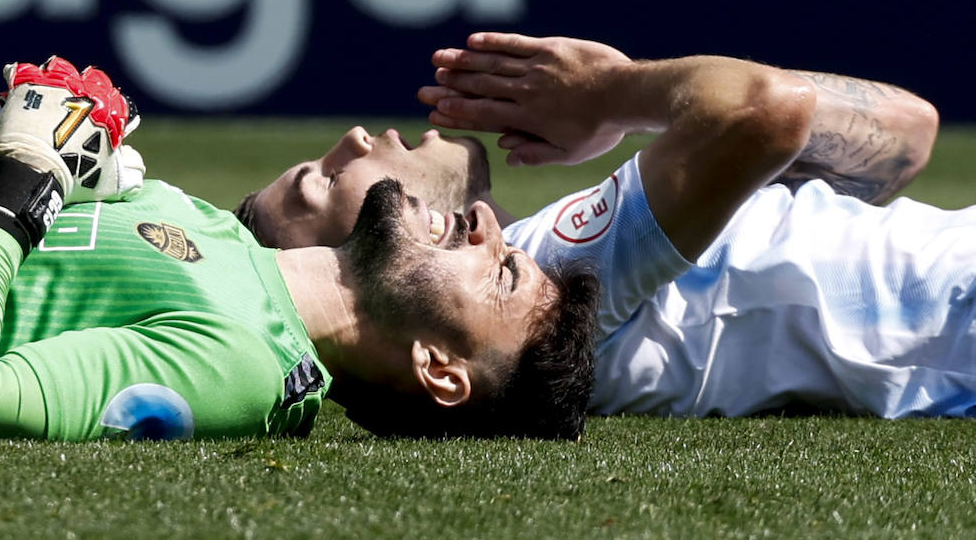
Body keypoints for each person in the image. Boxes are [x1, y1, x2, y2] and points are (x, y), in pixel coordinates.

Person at [0, 56, 600, 443]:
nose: (482, 221)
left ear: (441, 371)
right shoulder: (222, 238)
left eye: (500, 269)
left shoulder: (239, 367)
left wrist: (21, 189)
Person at [237, 33, 975, 419]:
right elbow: (765, 110)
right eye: (324, 181)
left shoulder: (524, 272)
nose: (356, 140)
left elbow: (906, 138)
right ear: (346, 263)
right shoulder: (540, 283)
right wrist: (614, 96)